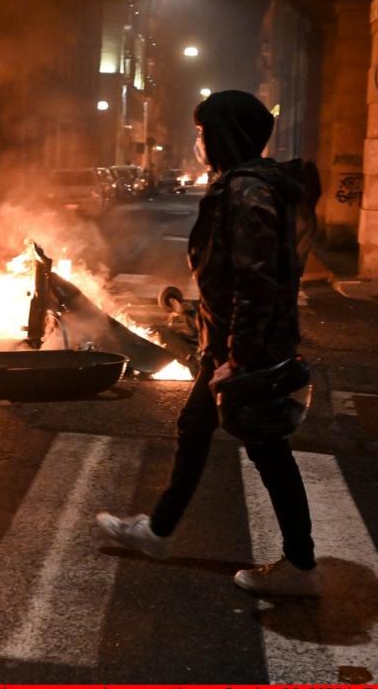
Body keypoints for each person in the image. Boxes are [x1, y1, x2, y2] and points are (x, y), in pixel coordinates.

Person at [96, 90, 320, 597]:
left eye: (202, 132)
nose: (198, 140)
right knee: (194, 425)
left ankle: (302, 568)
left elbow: (256, 282)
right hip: (233, 344)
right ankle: (158, 530)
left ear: (223, 135)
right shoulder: (250, 187)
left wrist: (237, 359)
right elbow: (237, 277)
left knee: (268, 450)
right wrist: (195, 312)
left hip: (249, 350)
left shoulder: (245, 192)